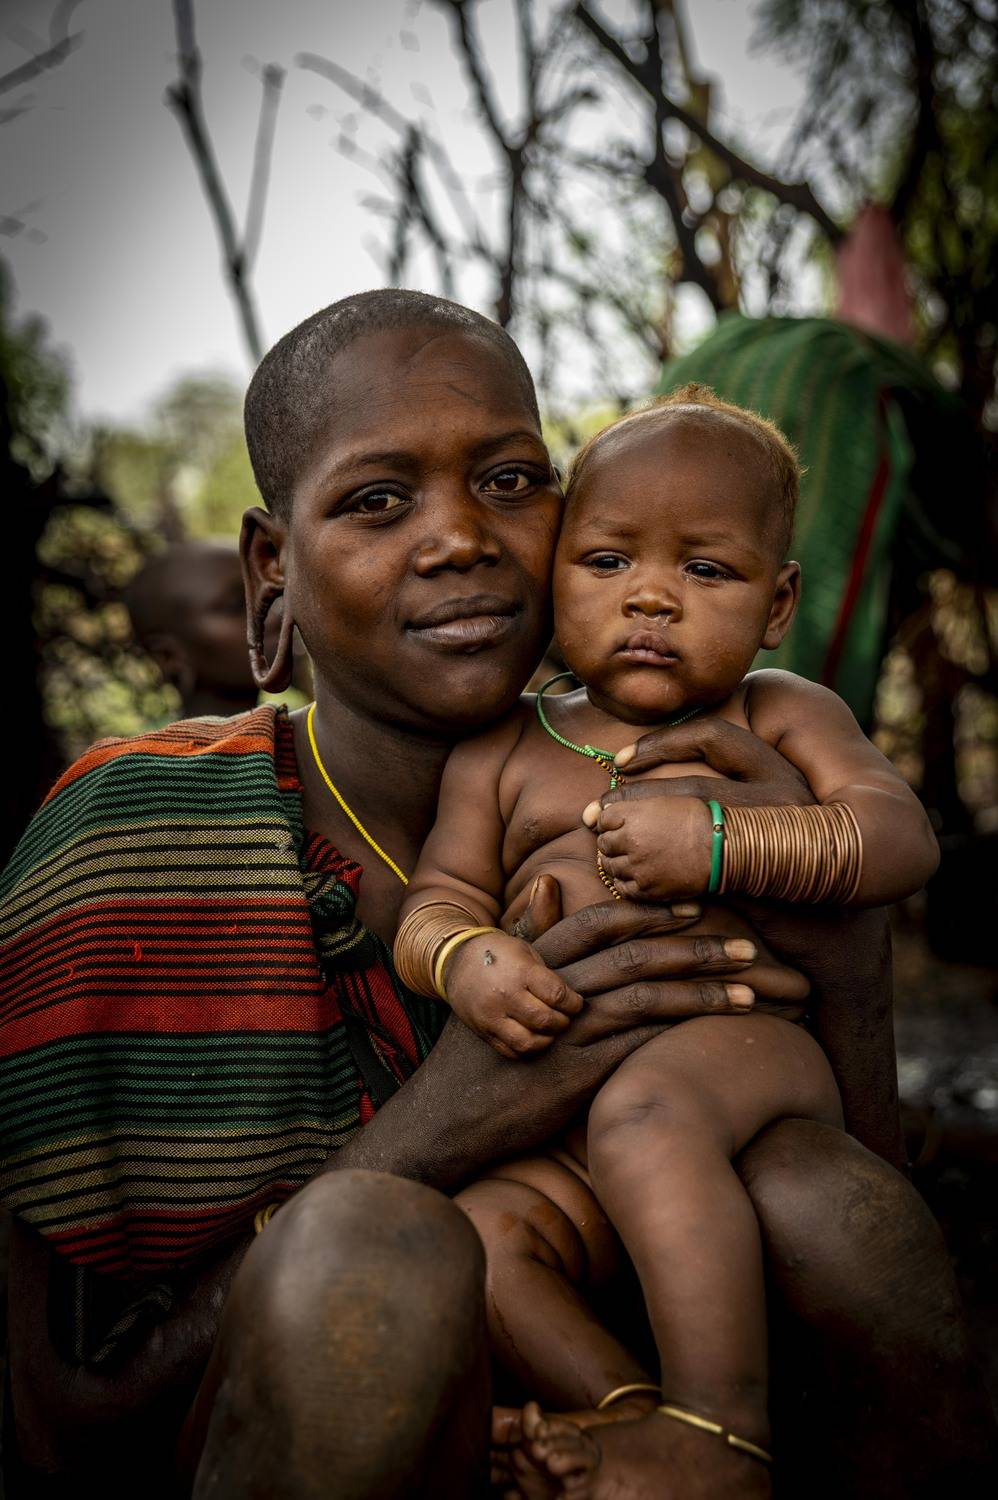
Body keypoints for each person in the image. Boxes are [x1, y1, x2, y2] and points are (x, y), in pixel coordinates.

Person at [0, 292, 993, 1500]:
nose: (461, 537)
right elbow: (71, 1416)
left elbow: (864, 1263)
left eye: (513, 483)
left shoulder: (738, 765)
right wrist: (442, 1121)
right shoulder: (139, 839)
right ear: (272, 572)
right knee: (375, 1246)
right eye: (376, 500)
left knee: (816, 1200)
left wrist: (835, 948)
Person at [394, 387, 940, 1496]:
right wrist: (467, 961)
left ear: (777, 601)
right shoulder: (504, 748)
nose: (649, 596)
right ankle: (623, 1422)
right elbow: (435, 900)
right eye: (604, 563)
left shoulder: (775, 712)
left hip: (736, 1051)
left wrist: (725, 845)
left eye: (705, 570)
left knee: (647, 1123)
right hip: (557, 1115)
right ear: (551, 577)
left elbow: (897, 839)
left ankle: (721, 1432)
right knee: (484, 1236)